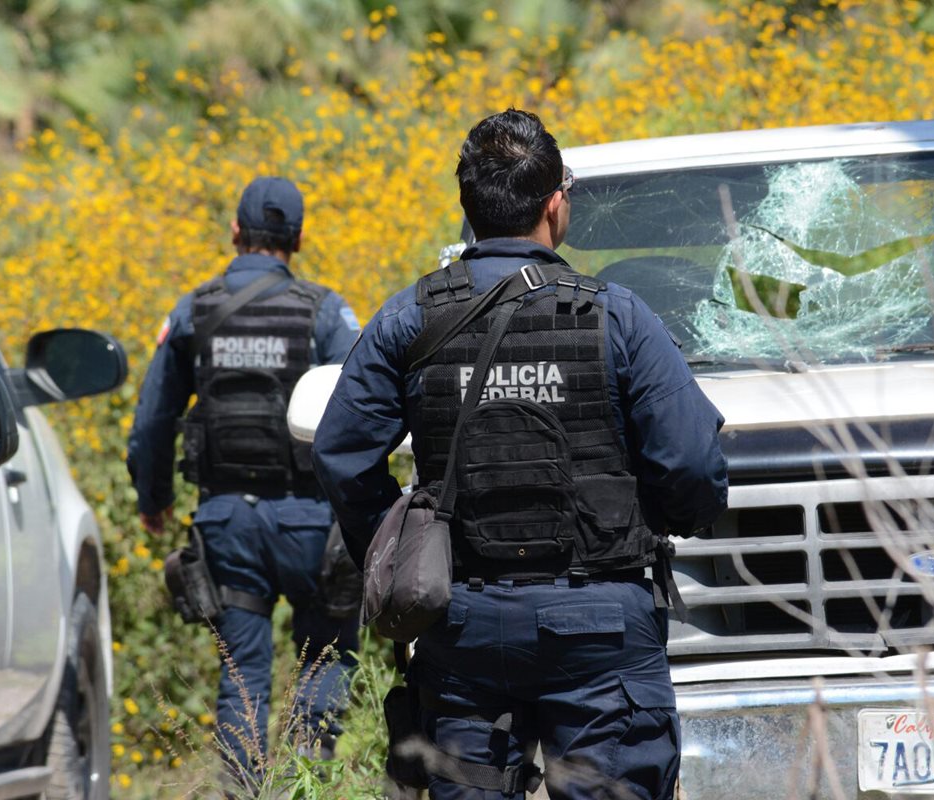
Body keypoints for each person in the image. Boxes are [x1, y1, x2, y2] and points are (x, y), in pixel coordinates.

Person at [311, 109, 728, 800]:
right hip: (602, 623)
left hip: (464, 622)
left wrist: (403, 554)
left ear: (468, 207)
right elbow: (689, 464)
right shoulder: (615, 314)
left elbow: (341, 455)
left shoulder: (409, 317)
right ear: (555, 204)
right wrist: (657, 520)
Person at [126, 176, 362, 780]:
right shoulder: (325, 311)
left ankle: (242, 792)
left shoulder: (192, 310)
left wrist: (152, 501)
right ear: (299, 239)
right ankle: (312, 785)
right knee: (323, 666)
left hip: (228, 523)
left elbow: (153, 420)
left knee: (242, 680)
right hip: (311, 521)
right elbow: (364, 412)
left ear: (235, 233)